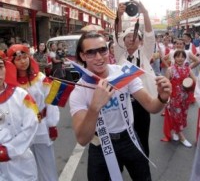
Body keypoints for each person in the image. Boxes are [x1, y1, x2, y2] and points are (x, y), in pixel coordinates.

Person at [69, 31, 171, 181]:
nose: (98, 57)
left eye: (102, 50)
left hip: (129, 138)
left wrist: (162, 97)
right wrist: (94, 107)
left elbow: (151, 106)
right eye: (90, 52)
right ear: (82, 56)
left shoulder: (123, 73)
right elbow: (83, 139)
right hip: (100, 144)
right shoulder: (79, 90)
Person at [7, 44, 60, 181]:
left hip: (41, 125)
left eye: (25, 57)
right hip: (21, 131)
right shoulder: (9, 85)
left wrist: (52, 125)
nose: (23, 61)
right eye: (18, 59)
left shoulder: (41, 78)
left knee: (47, 164)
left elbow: (51, 101)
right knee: (25, 166)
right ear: (11, 63)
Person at [114, 1, 156, 157]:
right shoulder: (120, 55)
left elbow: (150, 36)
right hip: (122, 103)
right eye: (128, 37)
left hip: (142, 103)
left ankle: (143, 161)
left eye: (135, 37)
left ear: (140, 41)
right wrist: (118, 16)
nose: (131, 39)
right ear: (123, 41)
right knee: (123, 137)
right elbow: (117, 34)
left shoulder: (145, 54)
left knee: (142, 136)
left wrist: (145, 13)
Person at [0, 50, 39, 180]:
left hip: (21, 166)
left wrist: (8, 150)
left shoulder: (21, 95)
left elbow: (31, 124)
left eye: (0, 67)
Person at [164, 50, 196, 147]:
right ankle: (182, 137)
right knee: (177, 116)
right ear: (174, 58)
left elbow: (195, 81)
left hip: (185, 98)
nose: (180, 59)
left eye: (182, 57)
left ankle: (174, 131)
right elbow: (166, 85)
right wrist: (165, 99)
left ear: (185, 58)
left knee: (182, 116)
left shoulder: (188, 69)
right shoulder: (170, 70)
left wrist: (190, 83)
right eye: (178, 56)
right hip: (174, 98)